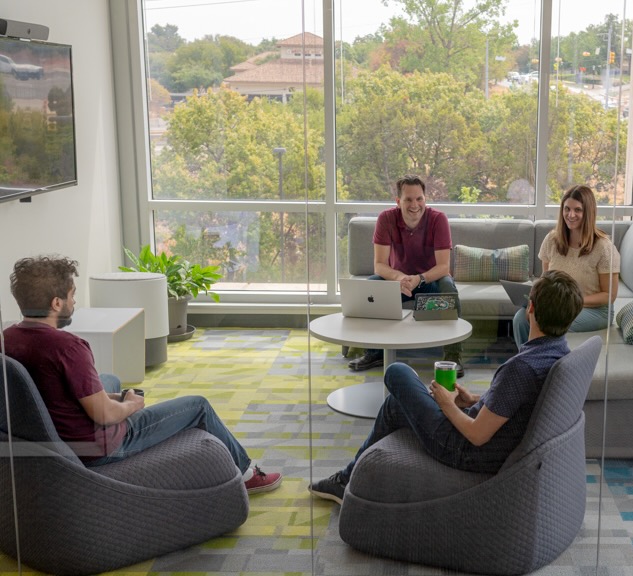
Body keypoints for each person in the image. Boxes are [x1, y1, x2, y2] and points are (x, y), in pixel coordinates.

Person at [2, 255, 283, 493]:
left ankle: (113, 395)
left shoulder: (7, 339)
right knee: (198, 405)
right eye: (72, 296)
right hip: (97, 447)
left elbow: (43, 391)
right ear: (56, 303)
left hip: (54, 435)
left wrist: (110, 396)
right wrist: (130, 406)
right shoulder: (69, 348)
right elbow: (105, 416)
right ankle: (248, 476)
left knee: (109, 378)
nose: (73, 303)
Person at [309, 270, 583, 504]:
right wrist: (474, 400)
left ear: (530, 308)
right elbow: (512, 406)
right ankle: (348, 479)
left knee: (397, 373)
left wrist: (447, 404)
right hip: (489, 439)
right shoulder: (557, 353)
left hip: (465, 451)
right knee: (394, 404)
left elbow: (477, 435)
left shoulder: (521, 368)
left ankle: (346, 480)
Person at [348, 175, 465, 377]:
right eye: (408, 199)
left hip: (430, 282)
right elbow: (379, 265)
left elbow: (444, 267)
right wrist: (400, 278)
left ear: (425, 199)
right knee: (372, 286)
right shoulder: (386, 219)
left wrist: (419, 278)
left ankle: (452, 356)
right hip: (398, 283)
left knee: (448, 286)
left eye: (419, 199)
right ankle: (374, 352)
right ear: (398, 201)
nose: (415, 205)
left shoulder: (438, 219)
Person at [511, 184, 620, 350]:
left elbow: (609, 296)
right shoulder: (552, 240)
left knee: (548, 321)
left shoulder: (603, 247)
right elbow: (545, 280)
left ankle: (541, 365)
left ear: (588, 213)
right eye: (567, 209)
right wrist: (534, 300)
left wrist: (570, 302)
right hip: (558, 305)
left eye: (578, 210)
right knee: (520, 317)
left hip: (596, 311)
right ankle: (526, 361)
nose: (571, 215)